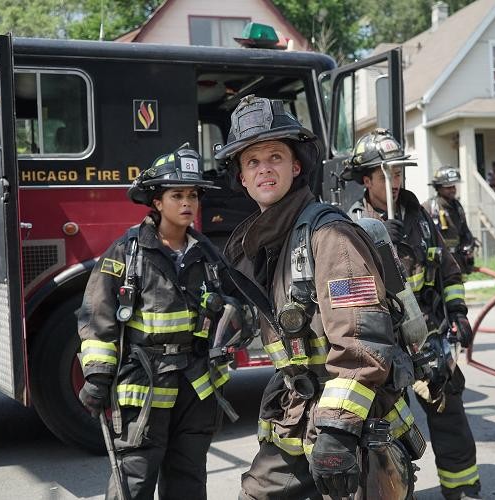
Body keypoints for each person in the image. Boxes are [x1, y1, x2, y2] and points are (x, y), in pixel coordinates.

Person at [215, 96, 417, 500]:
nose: (264, 168)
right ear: (242, 177)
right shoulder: (273, 240)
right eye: (252, 161)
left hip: (352, 423)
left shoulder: (331, 237)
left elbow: (361, 342)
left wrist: (339, 432)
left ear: (296, 166)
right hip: (299, 411)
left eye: (275, 156)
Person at [77, 145, 249, 499]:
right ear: (157, 202)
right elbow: (98, 317)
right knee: (134, 479)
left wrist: (232, 318)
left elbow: (240, 306)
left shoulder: (208, 254)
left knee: (188, 480)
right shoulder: (127, 253)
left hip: (197, 385)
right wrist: (97, 377)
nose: (187, 203)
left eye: (193, 195)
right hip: (145, 385)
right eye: (177, 195)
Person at [344, 129, 481, 499]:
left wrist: (459, 312)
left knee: (449, 412)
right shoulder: (350, 224)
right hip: (385, 343)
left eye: (398, 172)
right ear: (366, 180)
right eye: (385, 174)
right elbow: (349, 292)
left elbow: (448, 268)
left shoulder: (419, 216)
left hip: (429, 335)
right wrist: (377, 244)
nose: (395, 180)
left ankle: (462, 487)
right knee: (388, 430)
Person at [422, 166, 477, 274]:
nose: (452, 190)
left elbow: (464, 231)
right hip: (438, 262)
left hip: (457, 260)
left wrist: (468, 247)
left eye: (453, 186)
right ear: (438, 188)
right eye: (448, 187)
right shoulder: (428, 208)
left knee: (457, 284)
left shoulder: (457, 207)